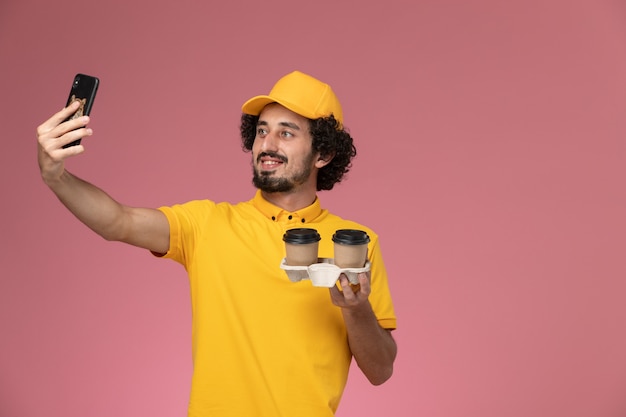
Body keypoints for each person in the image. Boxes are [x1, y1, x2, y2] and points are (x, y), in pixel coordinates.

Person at [37, 70, 397, 417]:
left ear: (324, 154)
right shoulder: (208, 224)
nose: (267, 145)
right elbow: (117, 221)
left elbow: (380, 370)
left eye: (286, 134)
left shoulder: (354, 244)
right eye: (261, 131)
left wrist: (355, 307)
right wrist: (57, 178)